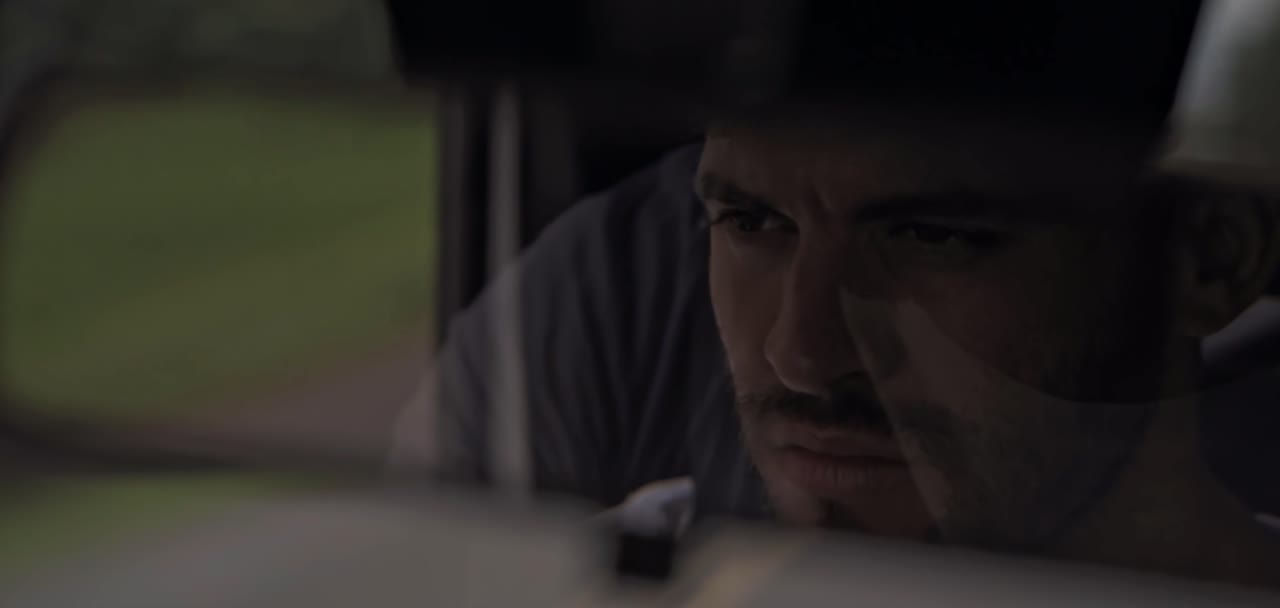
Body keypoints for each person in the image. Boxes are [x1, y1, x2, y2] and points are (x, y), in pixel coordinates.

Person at [392, 102, 1280, 586]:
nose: (802, 354)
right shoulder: (571, 578)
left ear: (1210, 260)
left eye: (931, 236)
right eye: (752, 222)